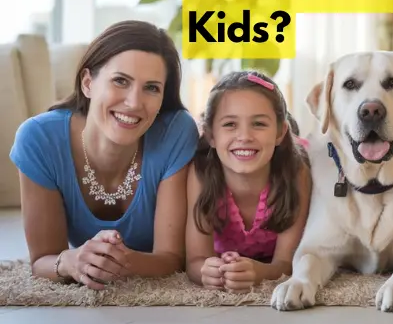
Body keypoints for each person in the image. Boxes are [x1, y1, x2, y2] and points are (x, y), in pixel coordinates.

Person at [10, 20, 199, 290]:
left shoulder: (176, 132)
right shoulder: (39, 139)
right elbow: (42, 260)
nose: (134, 103)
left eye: (151, 88)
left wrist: (110, 261)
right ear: (88, 83)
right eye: (120, 81)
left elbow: (172, 259)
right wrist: (71, 262)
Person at [185, 70, 311, 293]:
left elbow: (286, 264)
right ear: (211, 135)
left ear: (280, 133)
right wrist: (207, 271)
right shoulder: (201, 172)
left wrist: (260, 272)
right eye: (230, 124)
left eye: (259, 124)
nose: (244, 136)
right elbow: (195, 260)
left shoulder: (296, 171)